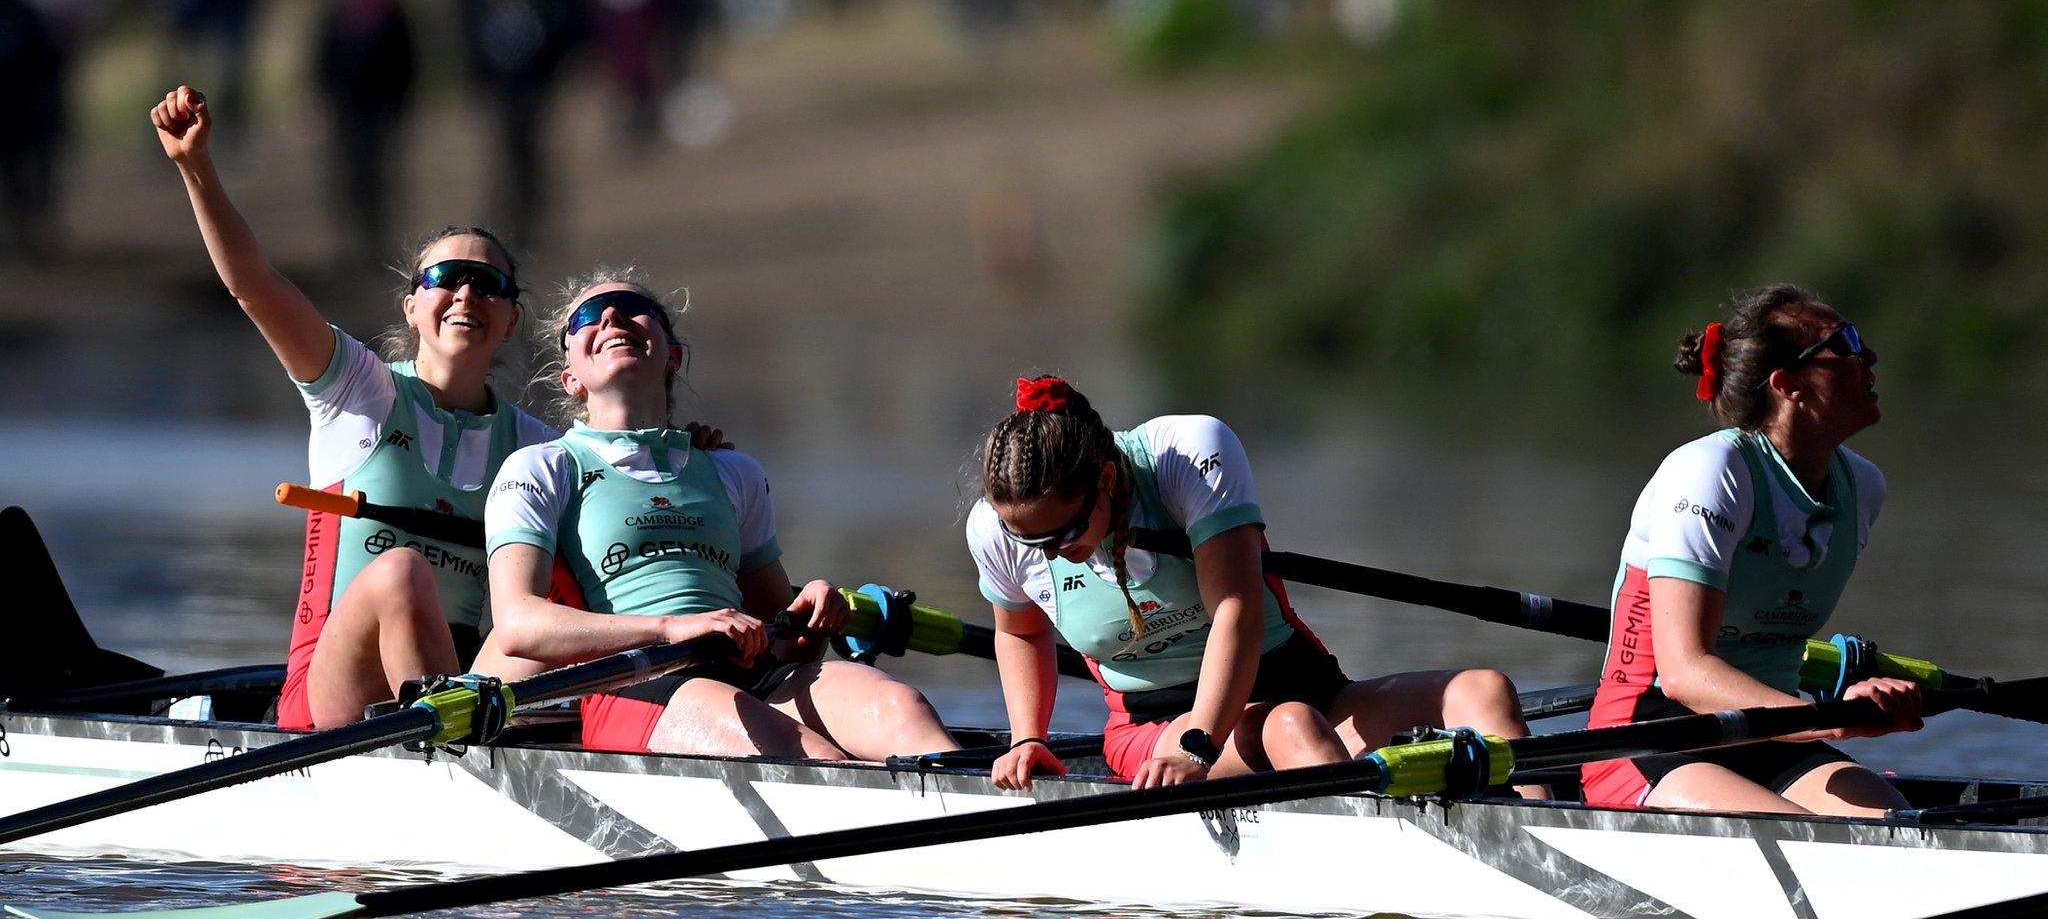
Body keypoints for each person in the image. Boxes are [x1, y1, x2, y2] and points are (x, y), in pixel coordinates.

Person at [151, 84, 558, 731]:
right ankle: (456, 737)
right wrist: (196, 167)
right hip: (327, 696)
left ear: (510, 321)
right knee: (401, 573)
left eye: (488, 285)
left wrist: (685, 452)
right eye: (444, 280)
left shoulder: (538, 450)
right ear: (412, 307)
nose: (465, 294)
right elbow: (255, 287)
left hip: (453, 689)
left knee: (559, 612)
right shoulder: (358, 394)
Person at [968, 376, 1537, 791]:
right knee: (1290, 725)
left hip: (1304, 688)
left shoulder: (1185, 455)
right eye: (1030, 542)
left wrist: (1205, 746)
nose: (1051, 551)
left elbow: (1235, 613)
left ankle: (1552, 839)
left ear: (1108, 480)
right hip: (1163, 723)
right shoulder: (994, 531)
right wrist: (1028, 739)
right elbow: (1020, 634)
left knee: (1483, 691)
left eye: (1063, 531)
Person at [476, 272, 959, 759]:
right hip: (633, 682)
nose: (609, 316)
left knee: (902, 706)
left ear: (673, 355)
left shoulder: (733, 471)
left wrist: (811, 618)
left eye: (630, 306)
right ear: (571, 377)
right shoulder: (542, 468)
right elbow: (519, 625)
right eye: (586, 317)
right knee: (812, 759)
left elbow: (783, 642)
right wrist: (671, 628)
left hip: (751, 677)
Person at [1582, 284, 1922, 816]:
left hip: (1770, 738)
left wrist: (1827, 717)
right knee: (1817, 847)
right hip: (1647, 741)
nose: (1869, 355)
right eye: (1846, 342)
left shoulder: (1864, 486)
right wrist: (1825, 717)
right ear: (1789, 385)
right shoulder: (1709, 474)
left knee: (1896, 828)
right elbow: (1685, 671)